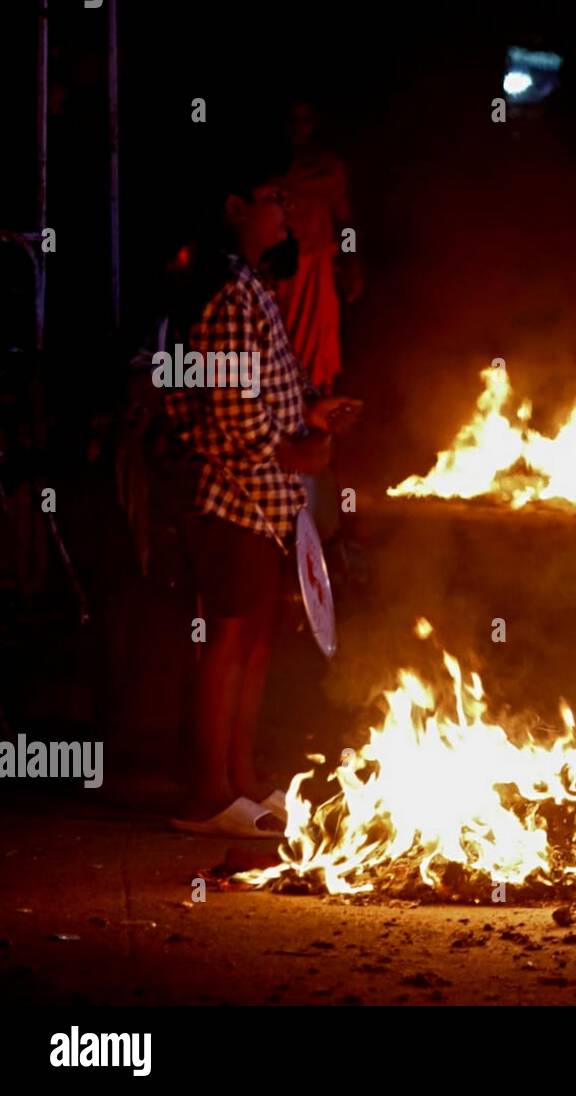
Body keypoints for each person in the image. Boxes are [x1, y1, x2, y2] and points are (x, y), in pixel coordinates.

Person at [165, 142, 360, 837]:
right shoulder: (224, 295)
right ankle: (205, 796)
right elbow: (233, 411)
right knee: (226, 641)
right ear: (236, 210)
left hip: (269, 503)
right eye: (274, 199)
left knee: (254, 643)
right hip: (233, 499)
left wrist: (308, 415)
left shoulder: (251, 287)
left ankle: (239, 779)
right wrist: (294, 446)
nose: (286, 210)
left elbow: (268, 394)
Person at [273, 101, 362, 395]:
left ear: (314, 124)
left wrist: (351, 262)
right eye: (292, 119)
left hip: (316, 278)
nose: (298, 127)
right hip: (278, 278)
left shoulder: (328, 169)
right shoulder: (269, 169)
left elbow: (345, 221)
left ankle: (317, 417)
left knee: (318, 362)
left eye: (304, 119)